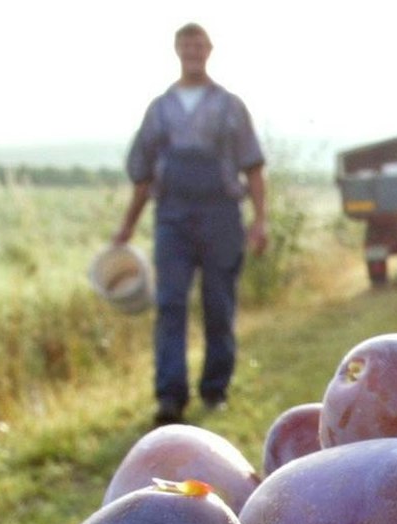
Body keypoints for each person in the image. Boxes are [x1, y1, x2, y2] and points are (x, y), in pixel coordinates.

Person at [114, 23, 269, 427]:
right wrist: (127, 226)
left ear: (209, 50)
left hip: (222, 217)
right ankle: (170, 397)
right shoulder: (160, 109)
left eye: (199, 45)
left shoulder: (230, 106)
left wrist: (261, 221)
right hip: (173, 218)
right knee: (170, 305)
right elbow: (142, 176)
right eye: (186, 45)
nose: (193, 52)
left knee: (219, 305)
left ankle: (215, 390)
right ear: (177, 50)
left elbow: (253, 167)